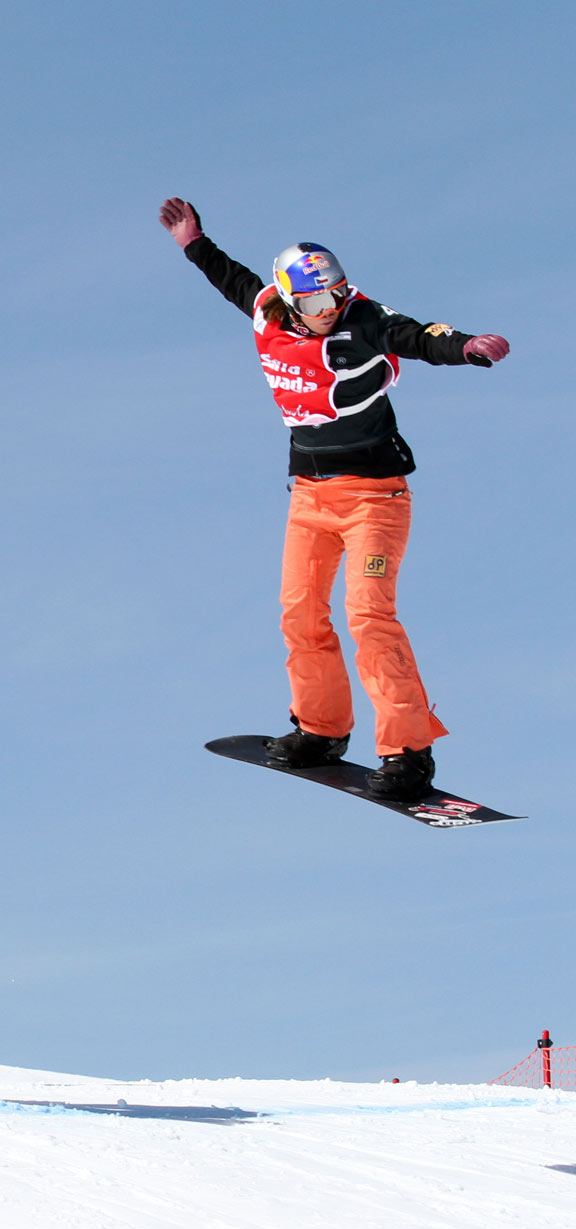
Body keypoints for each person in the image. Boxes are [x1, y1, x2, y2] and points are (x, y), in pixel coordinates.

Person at [158, 198, 511, 798]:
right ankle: (320, 730)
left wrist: (468, 344)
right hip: (309, 497)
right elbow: (235, 281)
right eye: (319, 303)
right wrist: (195, 242)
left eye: (337, 296)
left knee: (369, 617)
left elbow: (420, 335)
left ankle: (408, 752)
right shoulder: (270, 310)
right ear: (295, 302)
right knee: (299, 613)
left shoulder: (364, 319)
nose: (331, 310)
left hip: (375, 497)